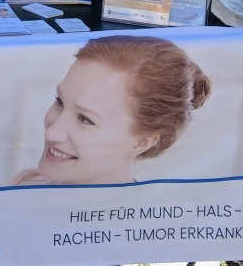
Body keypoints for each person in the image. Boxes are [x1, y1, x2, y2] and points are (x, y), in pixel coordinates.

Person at [14, 35, 211, 186]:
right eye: (59, 102)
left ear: (142, 141)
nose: (51, 133)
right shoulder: (18, 188)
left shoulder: (149, 234)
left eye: (85, 119)